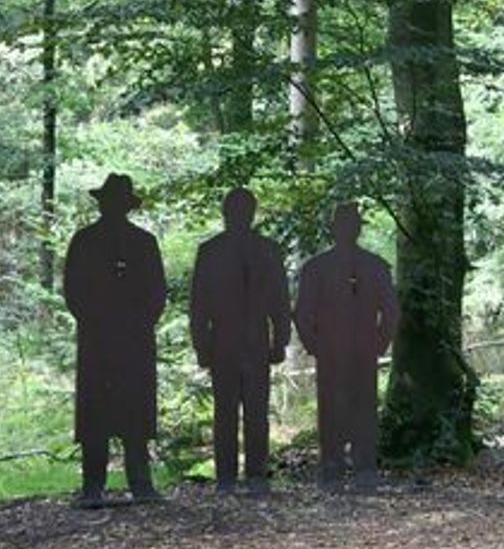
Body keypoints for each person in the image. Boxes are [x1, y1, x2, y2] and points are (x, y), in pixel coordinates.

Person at [63, 173, 167, 508]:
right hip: (99, 338)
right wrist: (96, 320)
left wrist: (137, 323)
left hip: (132, 340)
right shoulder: (84, 241)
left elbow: (157, 293)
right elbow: (72, 291)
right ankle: (93, 486)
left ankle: (140, 483)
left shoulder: (143, 242)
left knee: (134, 412)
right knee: (96, 412)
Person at [190, 187, 291, 494]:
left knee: (250, 411)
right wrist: (202, 345)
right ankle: (230, 477)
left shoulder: (263, 250)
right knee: (229, 412)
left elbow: (280, 301)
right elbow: (199, 305)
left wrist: (280, 340)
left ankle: (248, 476)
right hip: (228, 341)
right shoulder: (215, 251)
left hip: (247, 340)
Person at [295, 203, 400, 493]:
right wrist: (315, 345)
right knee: (346, 406)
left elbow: (391, 311)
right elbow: (302, 313)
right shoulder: (321, 268)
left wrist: (378, 342)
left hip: (347, 350)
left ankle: (349, 468)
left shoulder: (364, 266)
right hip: (345, 349)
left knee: (353, 406)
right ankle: (347, 468)